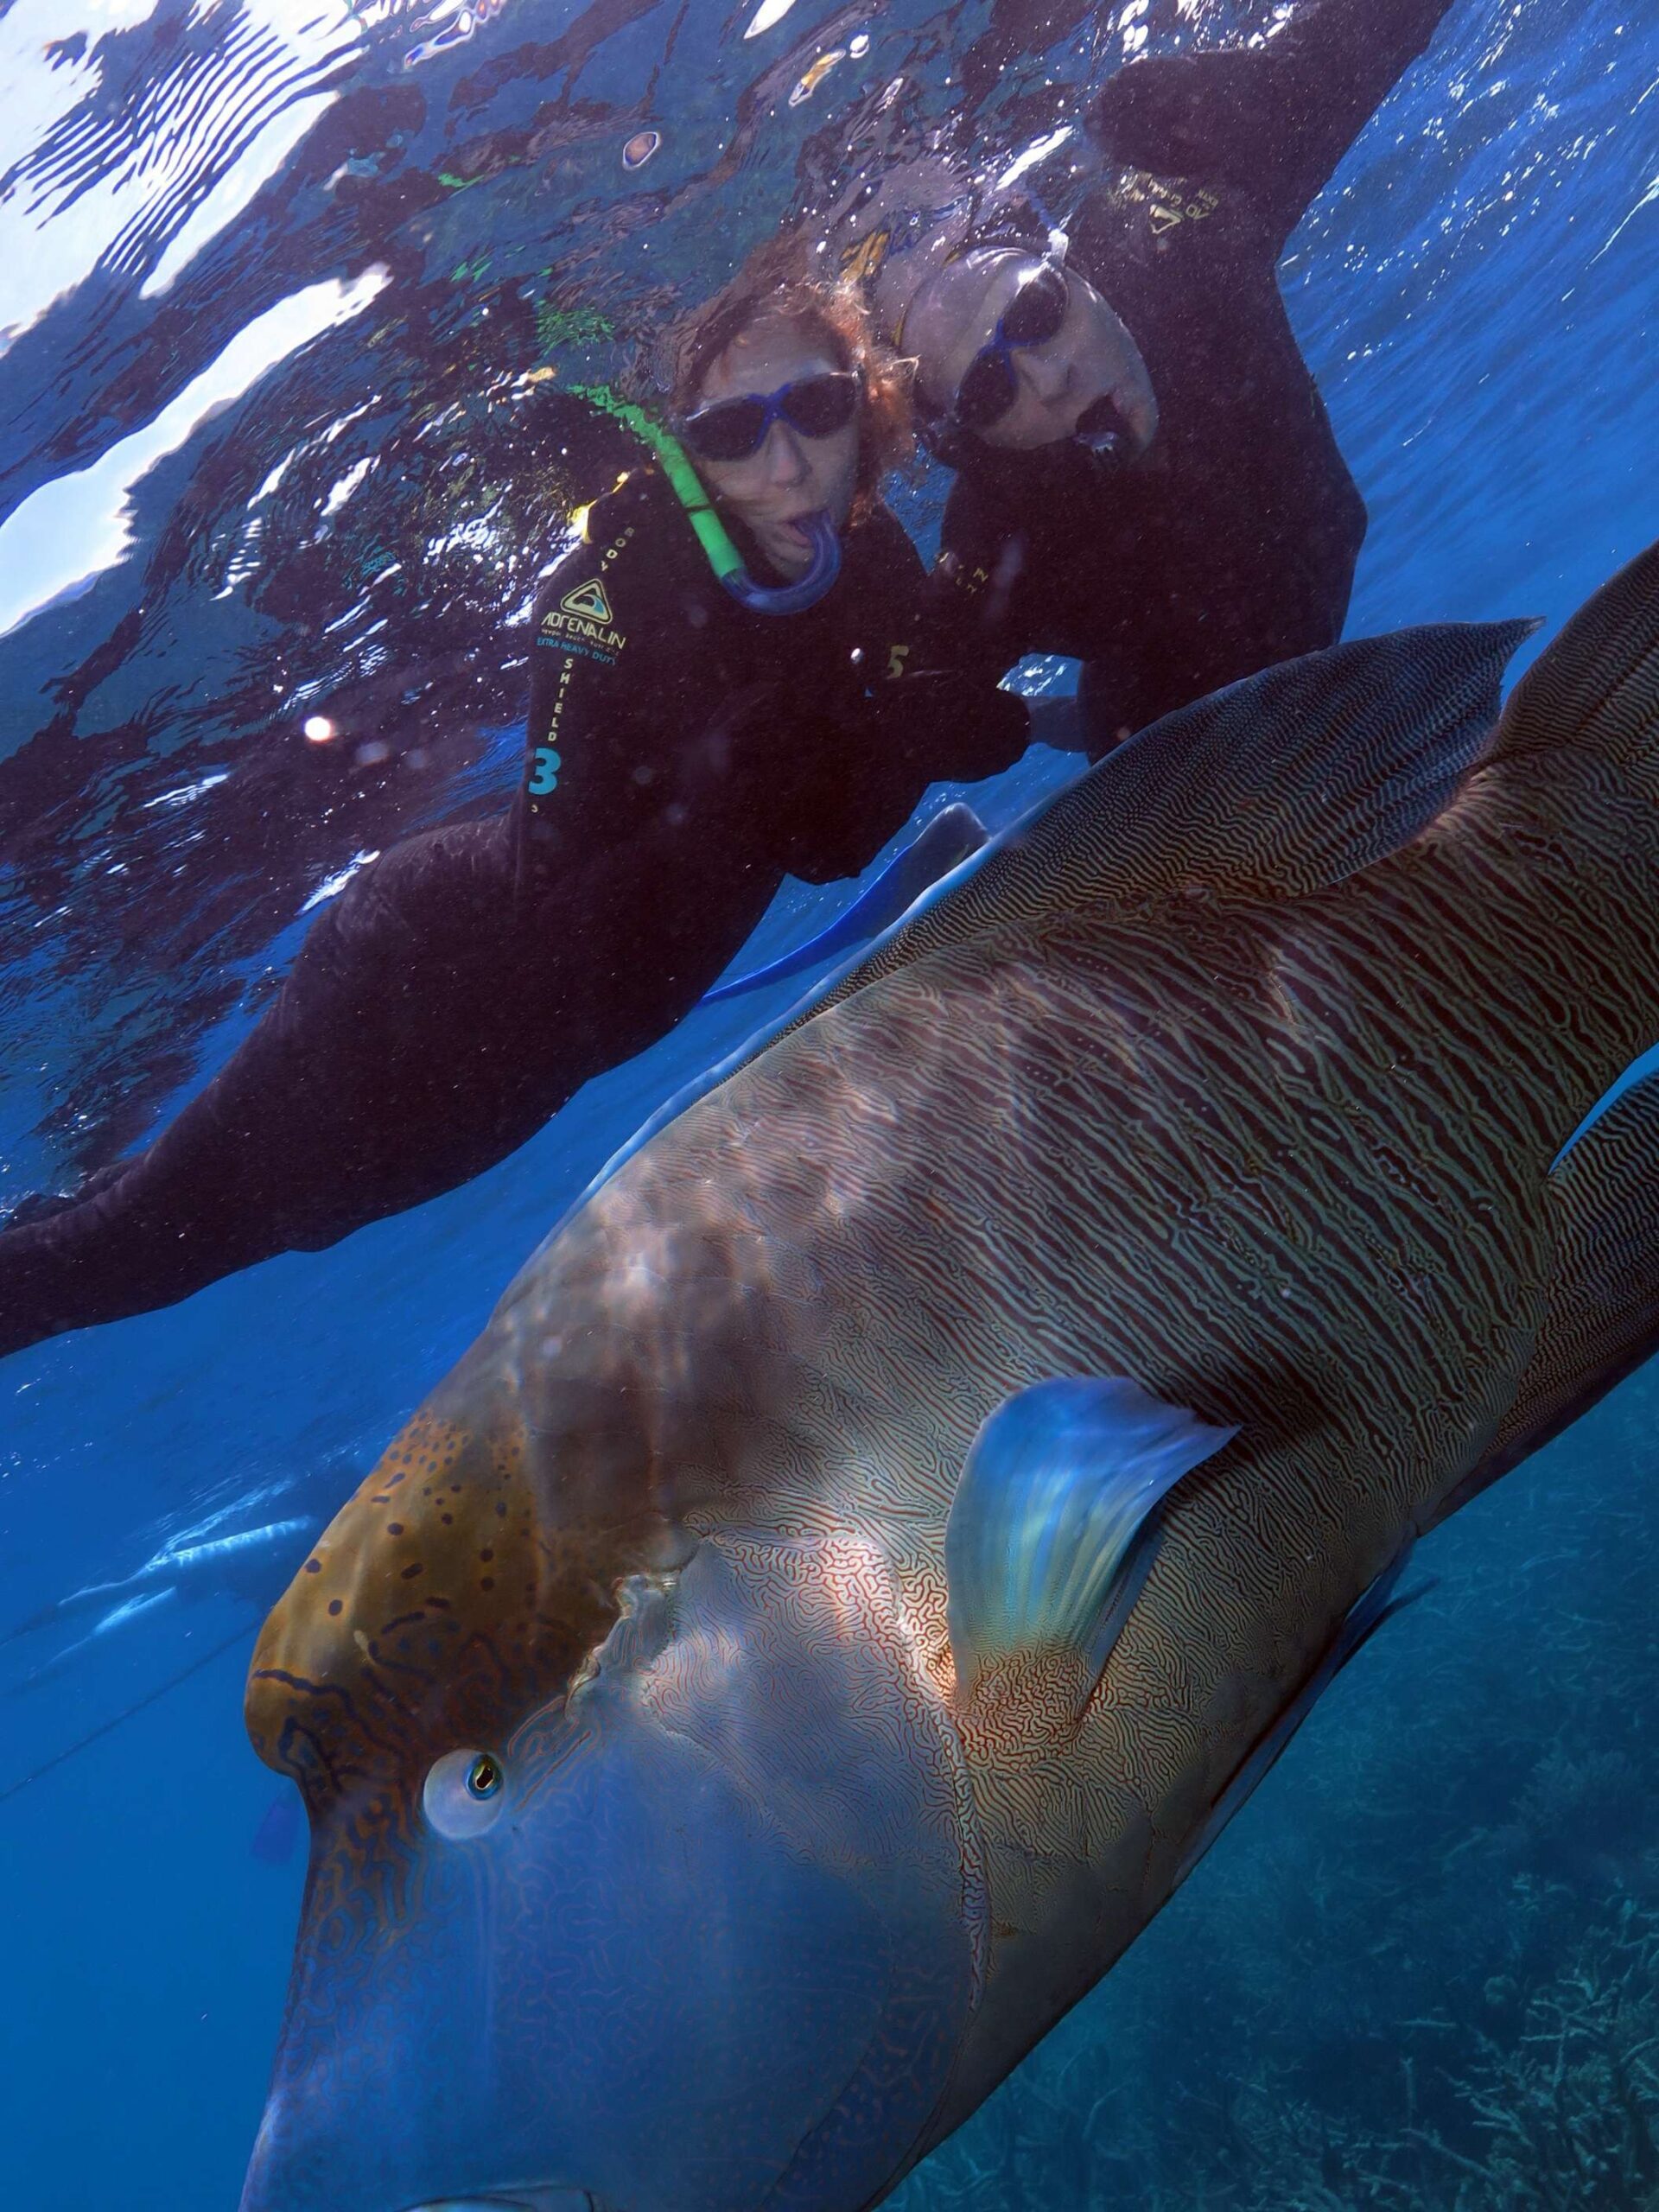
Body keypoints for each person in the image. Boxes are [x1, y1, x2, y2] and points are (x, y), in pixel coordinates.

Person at [0, 263, 1039, 1359]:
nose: (785, 464)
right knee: (135, 1251)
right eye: (736, 431)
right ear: (693, 448)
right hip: (411, 995)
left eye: (818, 410)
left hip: (526, 1070)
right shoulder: (613, 591)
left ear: (866, 401)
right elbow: (554, 868)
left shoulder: (873, 562)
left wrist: (917, 733)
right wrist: (745, 764)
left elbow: (830, 839)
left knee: (201, 1223)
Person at [841, 0, 1461, 751]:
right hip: (1168, 733)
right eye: (987, 391)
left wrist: (1244, 97)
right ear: (969, 435)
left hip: (1312, 593)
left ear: (1072, 271)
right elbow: (900, 695)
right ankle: (1057, 724)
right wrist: (900, 694)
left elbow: (1374, 33)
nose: (1049, 381)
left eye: (1035, 313)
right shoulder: (998, 531)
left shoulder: (1179, 236)